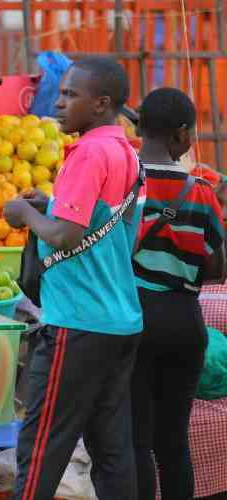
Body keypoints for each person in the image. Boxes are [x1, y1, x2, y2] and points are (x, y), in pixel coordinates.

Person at [3, 56, 144, 500]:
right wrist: (50, 204)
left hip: (77, 323)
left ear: (101, 103)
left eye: (69, 95)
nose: (59, 104)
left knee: (42, 445)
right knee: (112, 450)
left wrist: (25, 213)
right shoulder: (125, 152)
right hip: (119, 321)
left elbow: (66, 237)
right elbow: (118, 237)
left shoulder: (87, 153)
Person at [130, 87, 225, 500]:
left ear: (139, 129)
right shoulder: (202, 192)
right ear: (182, 135)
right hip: (185, 323)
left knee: (135, 441)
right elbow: (216, 267)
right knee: (173, 444)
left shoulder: (121, 185)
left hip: (131, 320)